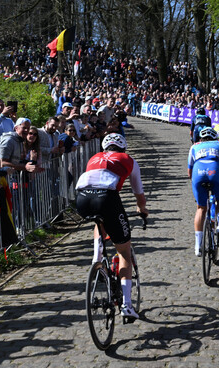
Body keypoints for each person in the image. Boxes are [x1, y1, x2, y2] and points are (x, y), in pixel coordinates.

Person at [76, 133, 148, 319]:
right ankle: (127, 306)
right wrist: (142, 209)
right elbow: (138, 191)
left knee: (99, 220)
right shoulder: (127, 159)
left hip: (82, 199)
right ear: (123, 148)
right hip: (107, 198)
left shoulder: (94, 157)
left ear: (104, 148)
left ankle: (97, 260)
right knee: (124, 252)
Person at [188, 126, 219, 256]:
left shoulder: (194, 147)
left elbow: (189, 172)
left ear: (200, 138)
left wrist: (197, 187)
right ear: (215, 137)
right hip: (216, 172)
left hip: (198, 174)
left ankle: (198, 245)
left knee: (201, 208)